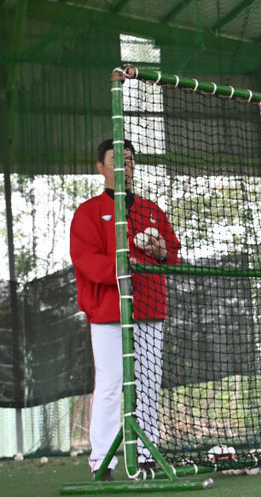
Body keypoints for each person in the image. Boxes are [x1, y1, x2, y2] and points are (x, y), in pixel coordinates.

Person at [70, 139, 180, 478]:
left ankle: (147, 456)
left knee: (148, 382)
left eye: (130, 159)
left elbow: (172, 254)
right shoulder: (87, 212)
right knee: (110, 384)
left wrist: (161, 252)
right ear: (100, 168)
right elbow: (86, 261)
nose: (125, 164)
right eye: (116, 159)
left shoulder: (151, 209)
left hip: (149, 308)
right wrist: (125, 264)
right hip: (107, 312)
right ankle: (102, 461)